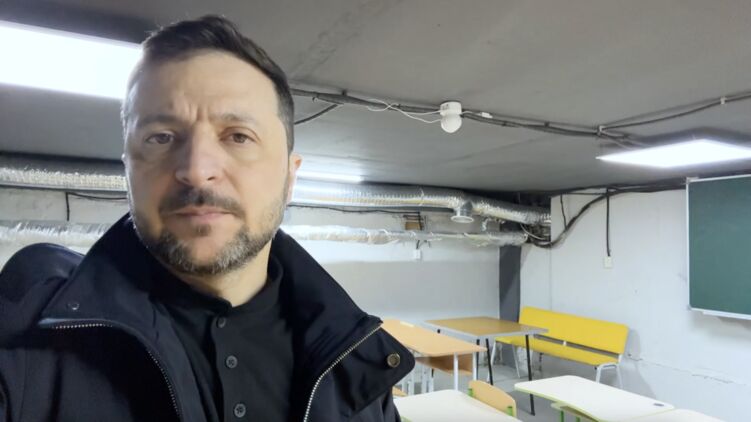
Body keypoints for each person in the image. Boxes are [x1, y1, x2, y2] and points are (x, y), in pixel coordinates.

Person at [0, 15, 413, 422]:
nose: (197, 169)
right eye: (161, 137)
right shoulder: (23, 340)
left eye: (238, 136)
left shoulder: (355, 364)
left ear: (290, 177)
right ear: (128, 169)